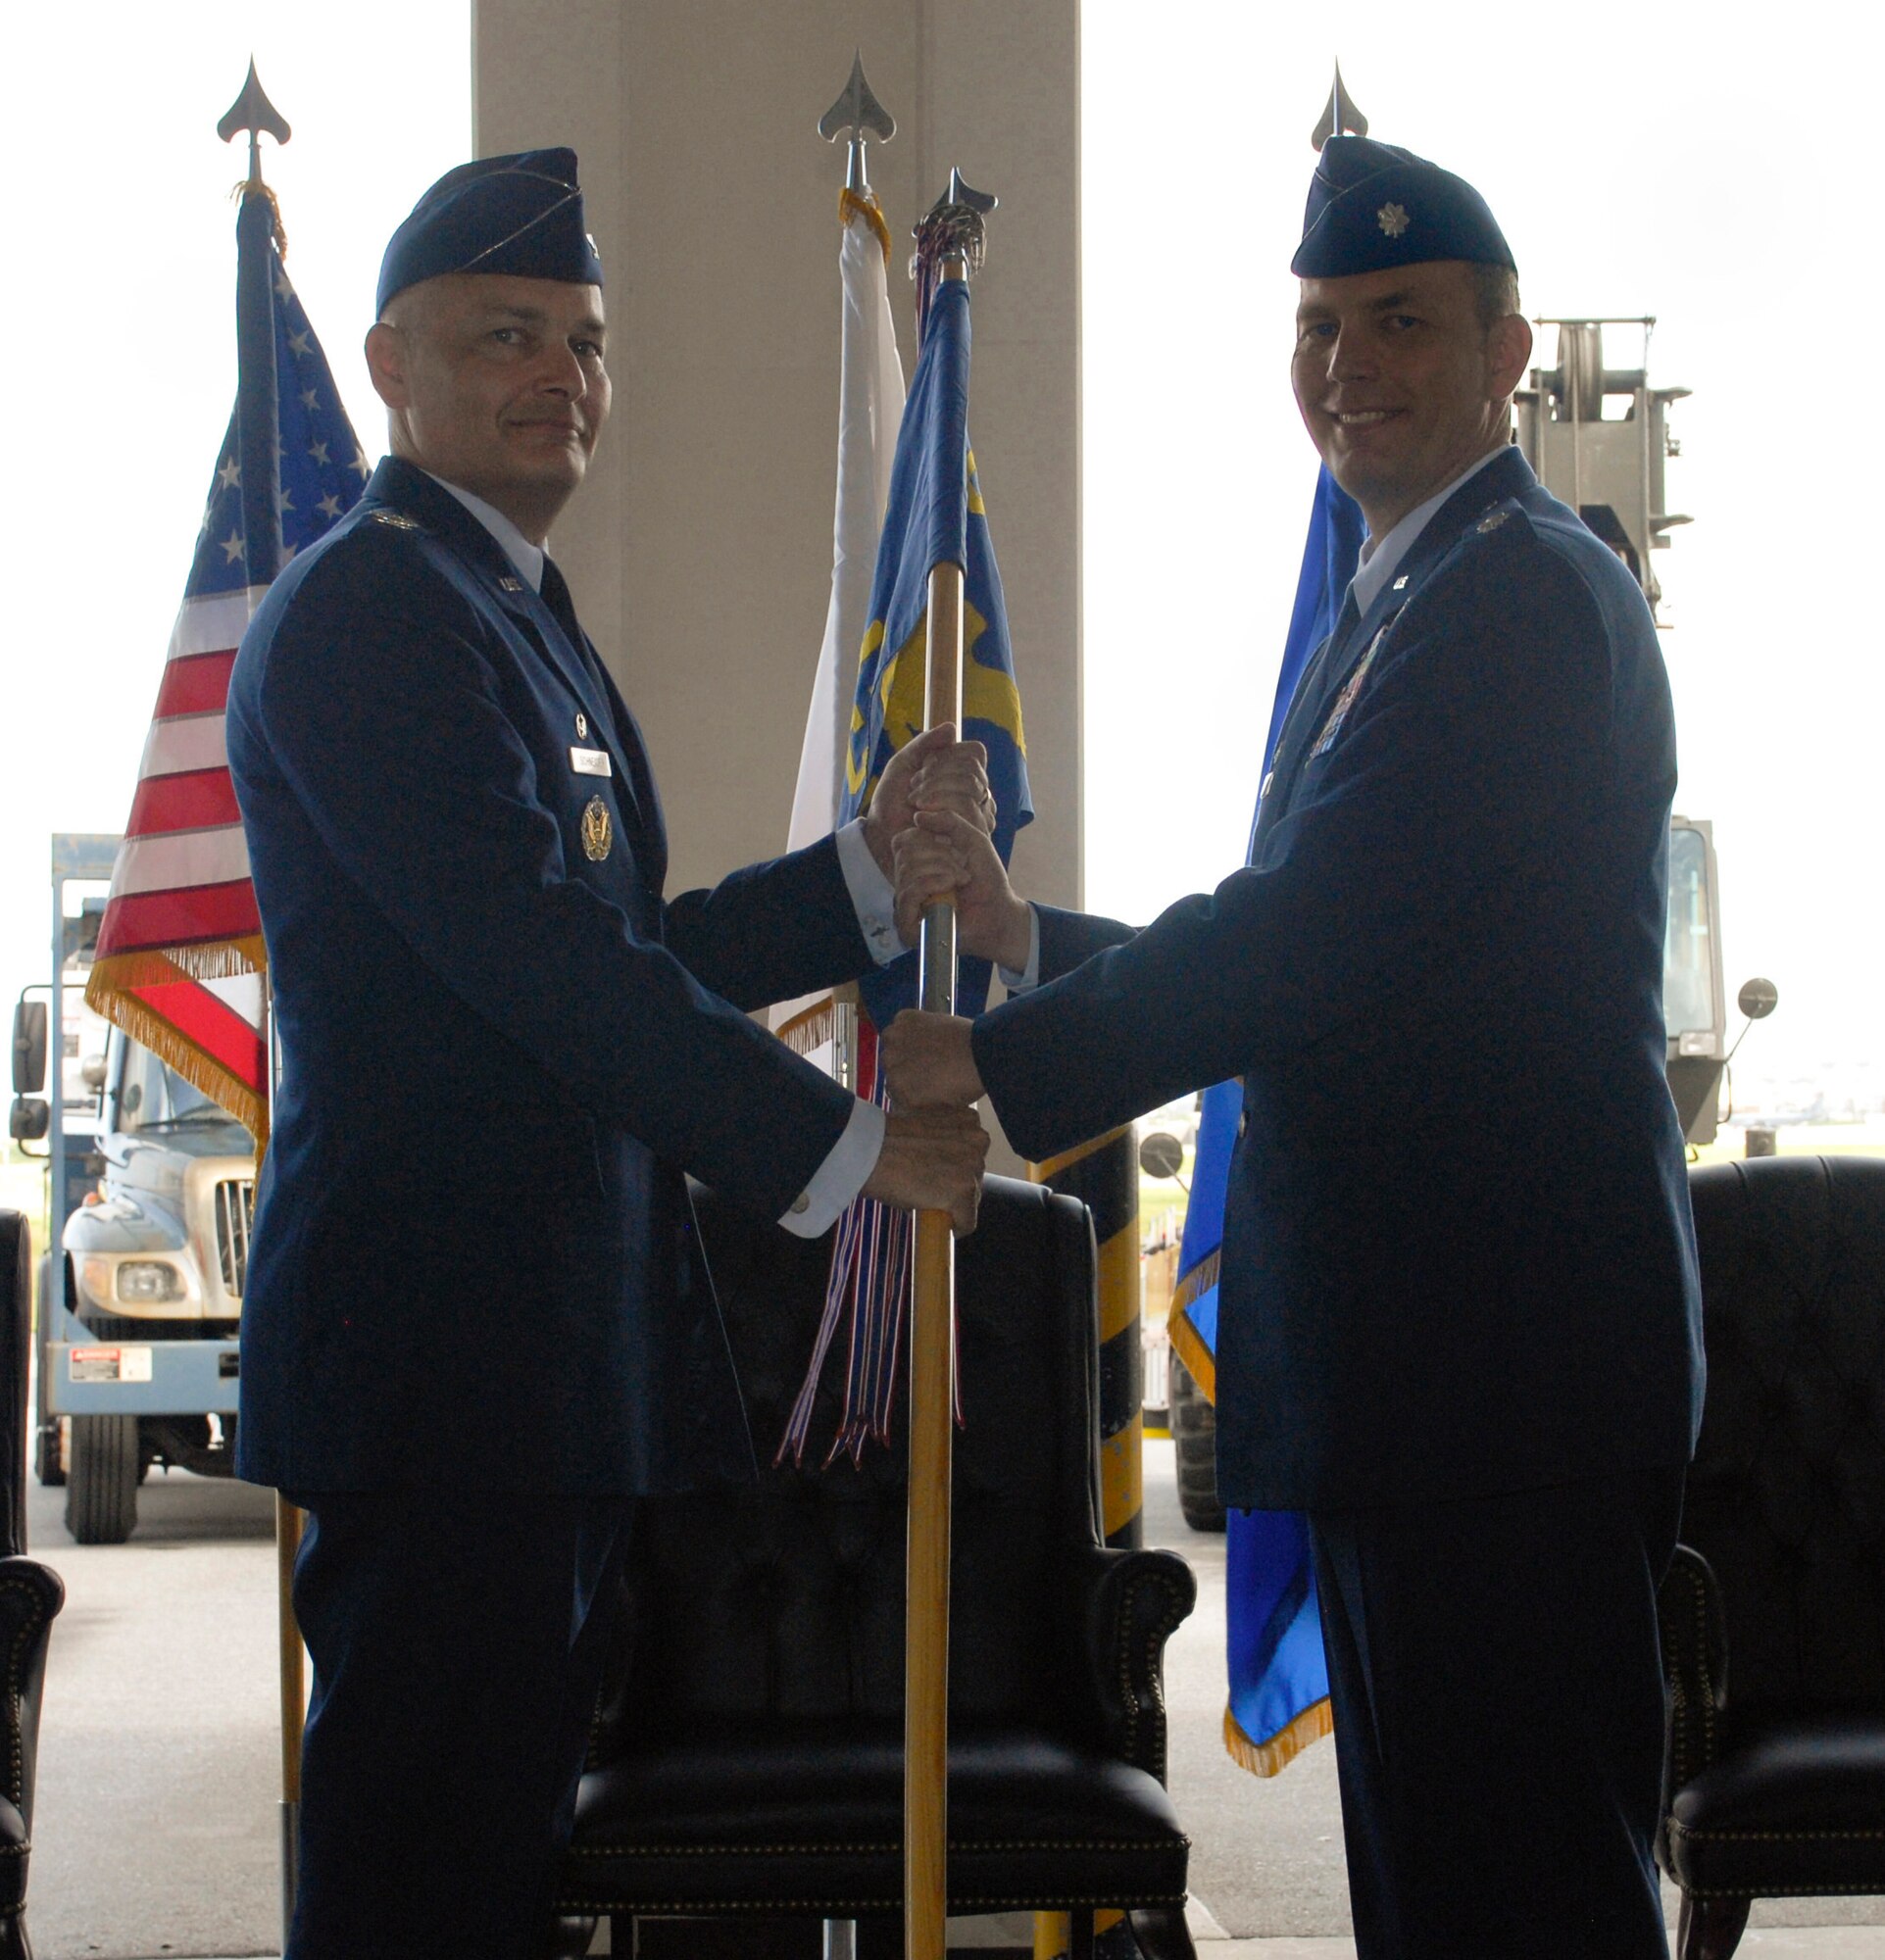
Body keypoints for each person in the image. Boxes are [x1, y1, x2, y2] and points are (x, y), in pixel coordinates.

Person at [883, 135, 1702, 1958]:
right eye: (1320, 327)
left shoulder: (1516, 596)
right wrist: (1027, 946)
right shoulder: (1410, 591)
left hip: (1502, 1381)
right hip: (1434, 1370)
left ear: (1505, 351)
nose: (1348, 364)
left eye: (1401, 322)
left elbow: (1316, 929)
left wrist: (998, 1064)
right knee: (1444, 1896)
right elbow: (1349, 949)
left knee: (1528, 1901)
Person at [226, 149, 991, 1958]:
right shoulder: (370, 614)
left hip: (543, 1362)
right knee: (423, 1880)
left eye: (583, 341)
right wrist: (847, 1145)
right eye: (507, 335)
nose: (560, 375)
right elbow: (541, 960)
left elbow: (630, 948)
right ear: (390, 363)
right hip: (444, 1366)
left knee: (495, 1869)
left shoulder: (508, 612)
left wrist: (862, 877)